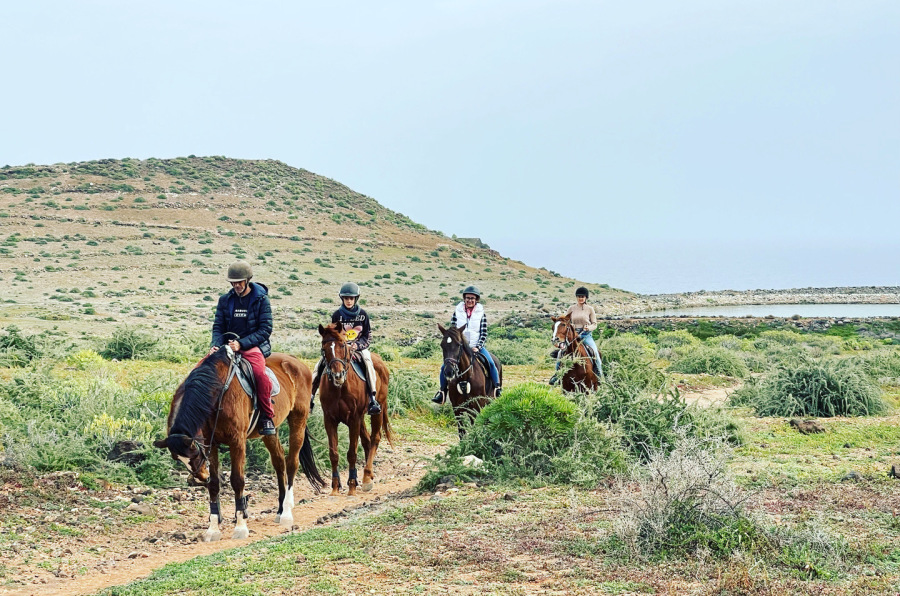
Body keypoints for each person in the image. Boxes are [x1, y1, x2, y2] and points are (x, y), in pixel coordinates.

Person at [209, 260, 276, 435]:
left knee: (260, 374)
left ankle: (267, 417)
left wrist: (242, 344)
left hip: (252, 345)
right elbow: (218, 327)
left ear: (247, 280)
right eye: (233, 282)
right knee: (201, 369)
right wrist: (216, 345)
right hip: (228, 345)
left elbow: (265, 329)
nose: (236, 285)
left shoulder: (261, 300)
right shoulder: (225, 300)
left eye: (239, 281)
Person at [311, 282, 381, 415]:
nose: (349, 301)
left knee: (368, 361)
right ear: (342, 299)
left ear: (356, 299)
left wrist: (357, 345)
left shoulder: (363, 315)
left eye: (351, 298)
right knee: (319, 364)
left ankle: (372, 398)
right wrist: (342, 345)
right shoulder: (337, 315)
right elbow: (333, 334)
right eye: (346, 298)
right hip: (340, 347)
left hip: (358, 347)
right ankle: (311, 396)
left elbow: (367, 335)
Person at [432, 285, 501, 404]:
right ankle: (442, 392)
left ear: (476, 300)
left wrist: (478, 347)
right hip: (460, 346)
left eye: (472, 298)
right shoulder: (457, 312)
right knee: (445, 366)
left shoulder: (481, 314)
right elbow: (453, 330)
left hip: (476, 346)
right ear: (464, 298)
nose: (470, 300)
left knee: (491, 363)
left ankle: (497, 389)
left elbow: (484, 333)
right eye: (468, 298)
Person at [550, 286, 602, 384]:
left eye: (582, 296)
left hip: (586, 335)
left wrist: (588, 328)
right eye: (579, 296)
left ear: (586, 297)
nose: (580, 298)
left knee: (595, 353)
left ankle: (599, 376)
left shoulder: (590, 309)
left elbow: (594, 324)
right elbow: (566, 321)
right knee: (561, 353)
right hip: (573, 335)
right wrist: (571, 325)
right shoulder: (571, 308)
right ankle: (557, 375)